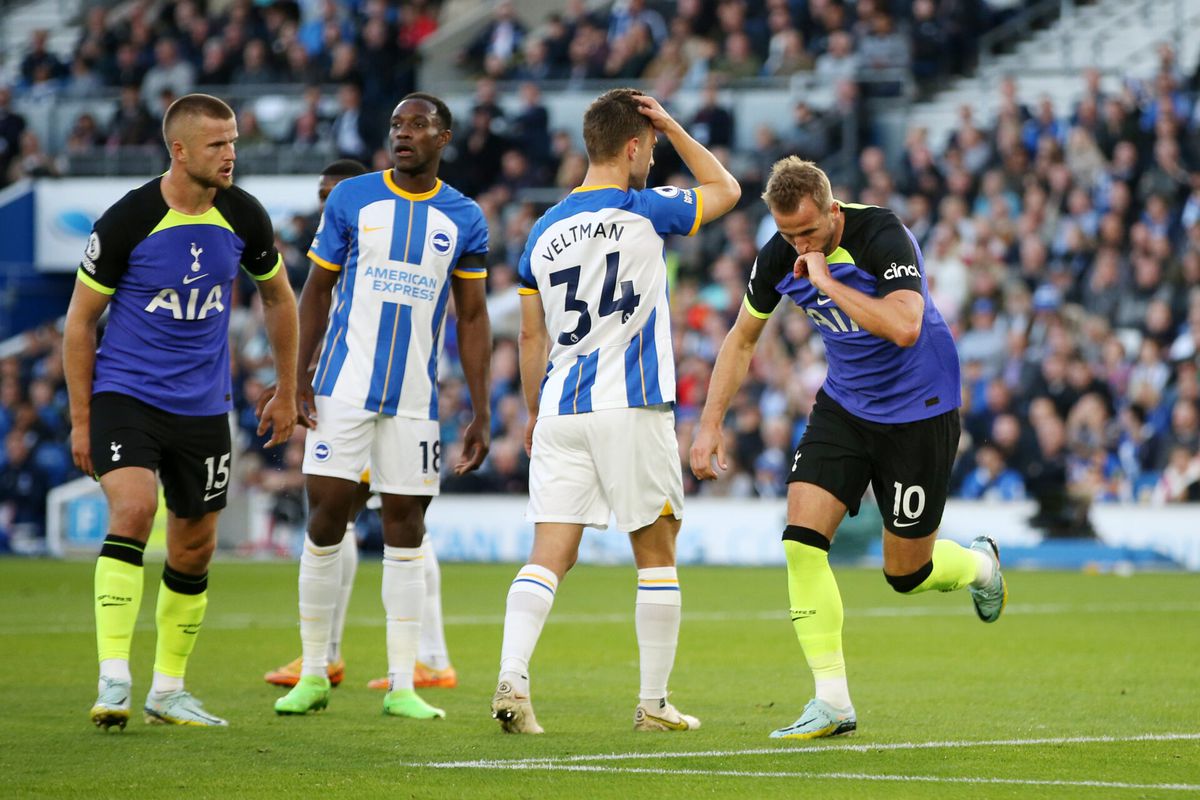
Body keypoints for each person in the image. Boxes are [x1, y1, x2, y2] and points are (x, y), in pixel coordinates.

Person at [689, 157, 1007, 740]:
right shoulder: (779, 255)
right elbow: (741, 340)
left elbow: (906, 325)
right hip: (845, 406)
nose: (798, 244)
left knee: (906, 573)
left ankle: (982, 565)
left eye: (807, 232)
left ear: (832, 211)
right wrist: (709, 425)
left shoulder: (881, 235)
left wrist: (829, 281)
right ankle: (832, 700)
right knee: (802, 544)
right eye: (787, 234)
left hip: (921, 409)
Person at [491, 88, 740, 734]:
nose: (655, 160)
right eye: (652, 148)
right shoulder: (646, 209)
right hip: (630, 406)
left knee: (548, 553)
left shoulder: (540, 233)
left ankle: (512, 679)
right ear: (634, 145)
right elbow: (728, 189)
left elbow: (529, 338)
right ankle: (654, 704)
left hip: (561, 409)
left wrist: (530, 410)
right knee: (656, 554)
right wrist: (676, 125)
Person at [65, 93, 299, 730]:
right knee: (136, 508)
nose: (230, 155)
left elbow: (279, 299)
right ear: (180, 150)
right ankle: (114, 677)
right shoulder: (127, 221)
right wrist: (82, 420)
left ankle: (168, 691)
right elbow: (81, 323)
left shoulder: (244, 215)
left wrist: (285, 389)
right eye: (218, 144)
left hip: (203, 409)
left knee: (195, 548)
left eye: (234, 143)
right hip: (126, 395)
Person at [272, 93, 491, 719]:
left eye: (418, 125)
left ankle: (402, 684)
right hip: (342, 388)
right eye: (396, 124)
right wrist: (296, 378)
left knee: (406, 530)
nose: (404, 133)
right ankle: (314, 672)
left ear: (443, 136)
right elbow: (314, 292)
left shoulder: (464, 216)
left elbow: (472, 317)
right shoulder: (352, 199)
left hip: (416, 401)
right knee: (325, 520)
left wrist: (479, 409)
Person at [262, 159, 458, 693]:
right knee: (344, 517)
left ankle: (414, 659)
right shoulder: (341, 241)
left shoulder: (382, 234)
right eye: (322, 194)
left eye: (335, 193)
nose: (328, 203)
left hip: (390, 398)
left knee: (396, 519)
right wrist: (291, 380)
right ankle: (333, 656)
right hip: (342, 394)